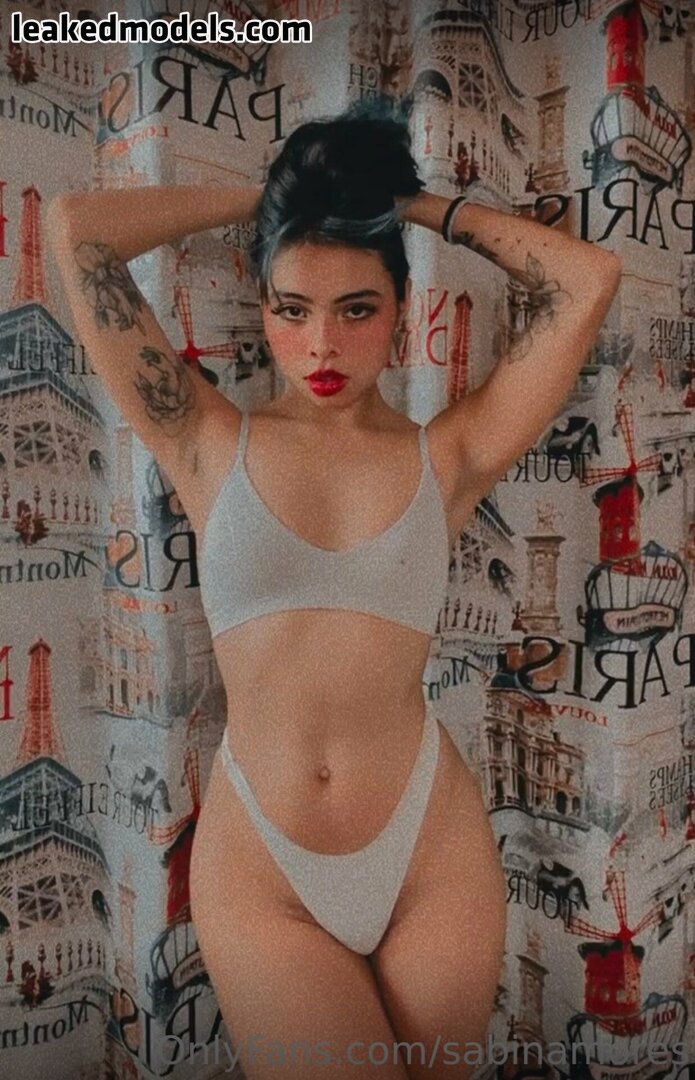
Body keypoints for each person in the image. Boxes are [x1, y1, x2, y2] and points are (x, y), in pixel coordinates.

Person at [46, 96, 621, 1080]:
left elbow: (586, 278)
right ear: (264, 307)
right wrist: (277, 199)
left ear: (399, 310)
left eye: (356, 309)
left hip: (429, 852)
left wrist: (410, 207)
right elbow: (76, 233)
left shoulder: (448, 455)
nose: (321, 346)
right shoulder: (205, 438)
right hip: (263, 869)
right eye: (292, 309)